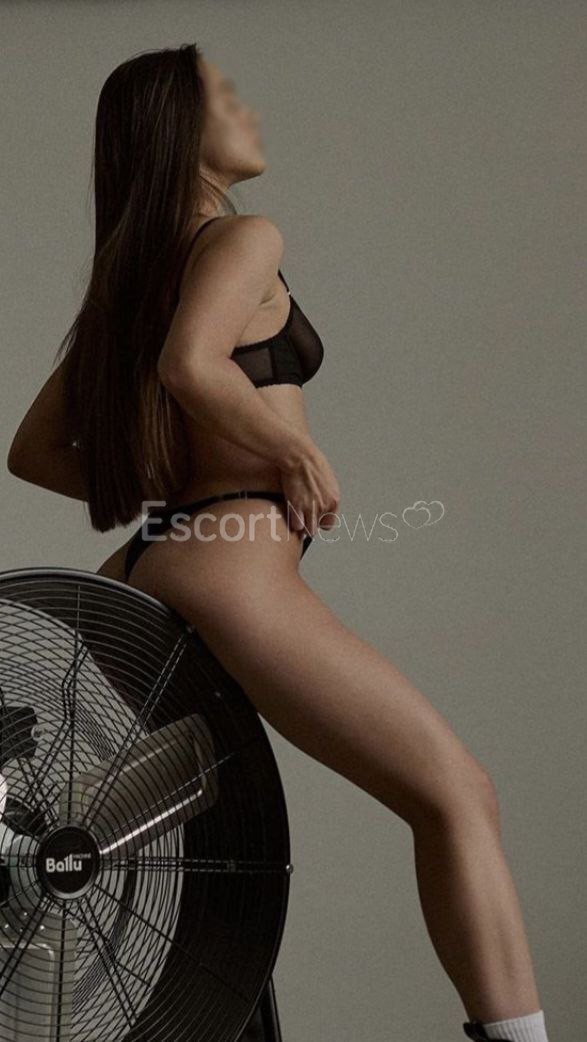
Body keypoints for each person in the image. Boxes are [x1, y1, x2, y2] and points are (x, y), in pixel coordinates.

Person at [6, 43, 550, 1042]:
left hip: (150, 573)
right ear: (182, 130)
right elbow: (190, 365)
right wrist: (289, 450)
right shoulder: (241, 238)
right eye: (225, 96)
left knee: (149, 835)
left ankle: (14, 818)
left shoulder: (135, 276)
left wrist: (173, 486)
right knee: (456, 793)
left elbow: (31, 451)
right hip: (232, 572)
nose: (248, 110)